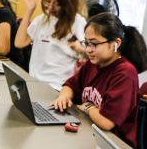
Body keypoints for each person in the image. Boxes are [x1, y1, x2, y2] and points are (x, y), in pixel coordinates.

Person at [48, 13, 147, 148]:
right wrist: (63, 97)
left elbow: (107, 122)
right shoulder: (94, 63)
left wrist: (88, 107)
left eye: (94, 44)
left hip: (112, 143)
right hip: (89, 134)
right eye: (86, 43)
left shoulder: (125, 74)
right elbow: (70, 85)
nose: (88, 50)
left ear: (116, 43)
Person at [15, 0, 87, 91]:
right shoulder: (42, 19)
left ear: (68, 3)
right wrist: (29, 10)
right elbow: (19, 43)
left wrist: (82, 50)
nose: (51, 7)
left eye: (57, 4)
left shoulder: (78, 22)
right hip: (34, 82)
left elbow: (91, 56)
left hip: (58, 86)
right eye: (48, 1)